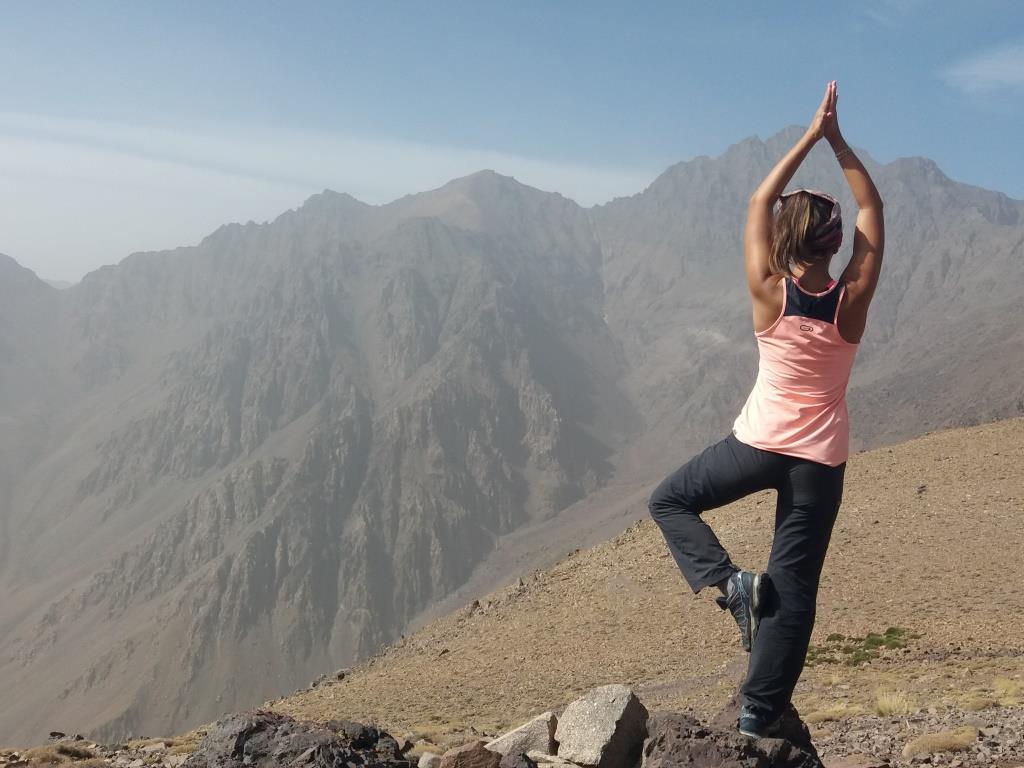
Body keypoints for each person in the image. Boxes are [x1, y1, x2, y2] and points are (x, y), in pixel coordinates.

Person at [647, 81, 884, 738]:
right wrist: (837, 142)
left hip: (755, 445)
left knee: (669, 501)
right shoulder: (851, 300)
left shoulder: (766, 293)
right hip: (819, 463)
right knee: (796, 589)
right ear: (835, 245)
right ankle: (757, 715)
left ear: (788, 239)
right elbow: (872, 202)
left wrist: (808, 136)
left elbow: (757, 200)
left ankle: (731, 586)